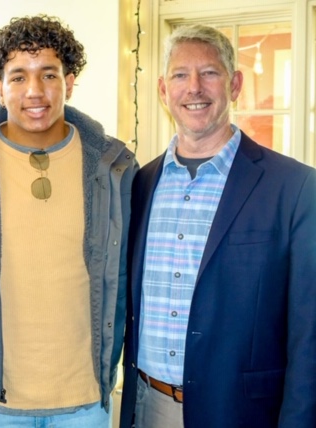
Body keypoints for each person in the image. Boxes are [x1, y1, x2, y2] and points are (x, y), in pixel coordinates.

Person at [0, 14, 138, 427]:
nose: (34, 91)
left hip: (85, 399)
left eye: (48, 74)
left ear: (69, 83)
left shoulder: (113, 165)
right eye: (18, 77)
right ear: (0, 87)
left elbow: (126, 274)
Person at [119, 24, 316, 428]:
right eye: (180, 75)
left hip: (242, 414)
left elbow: (309, 331)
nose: (194, 87)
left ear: (235, 84)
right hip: (147, 406)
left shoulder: (295, 187)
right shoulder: (140, 183)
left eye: (209, 72)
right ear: (163, 90)